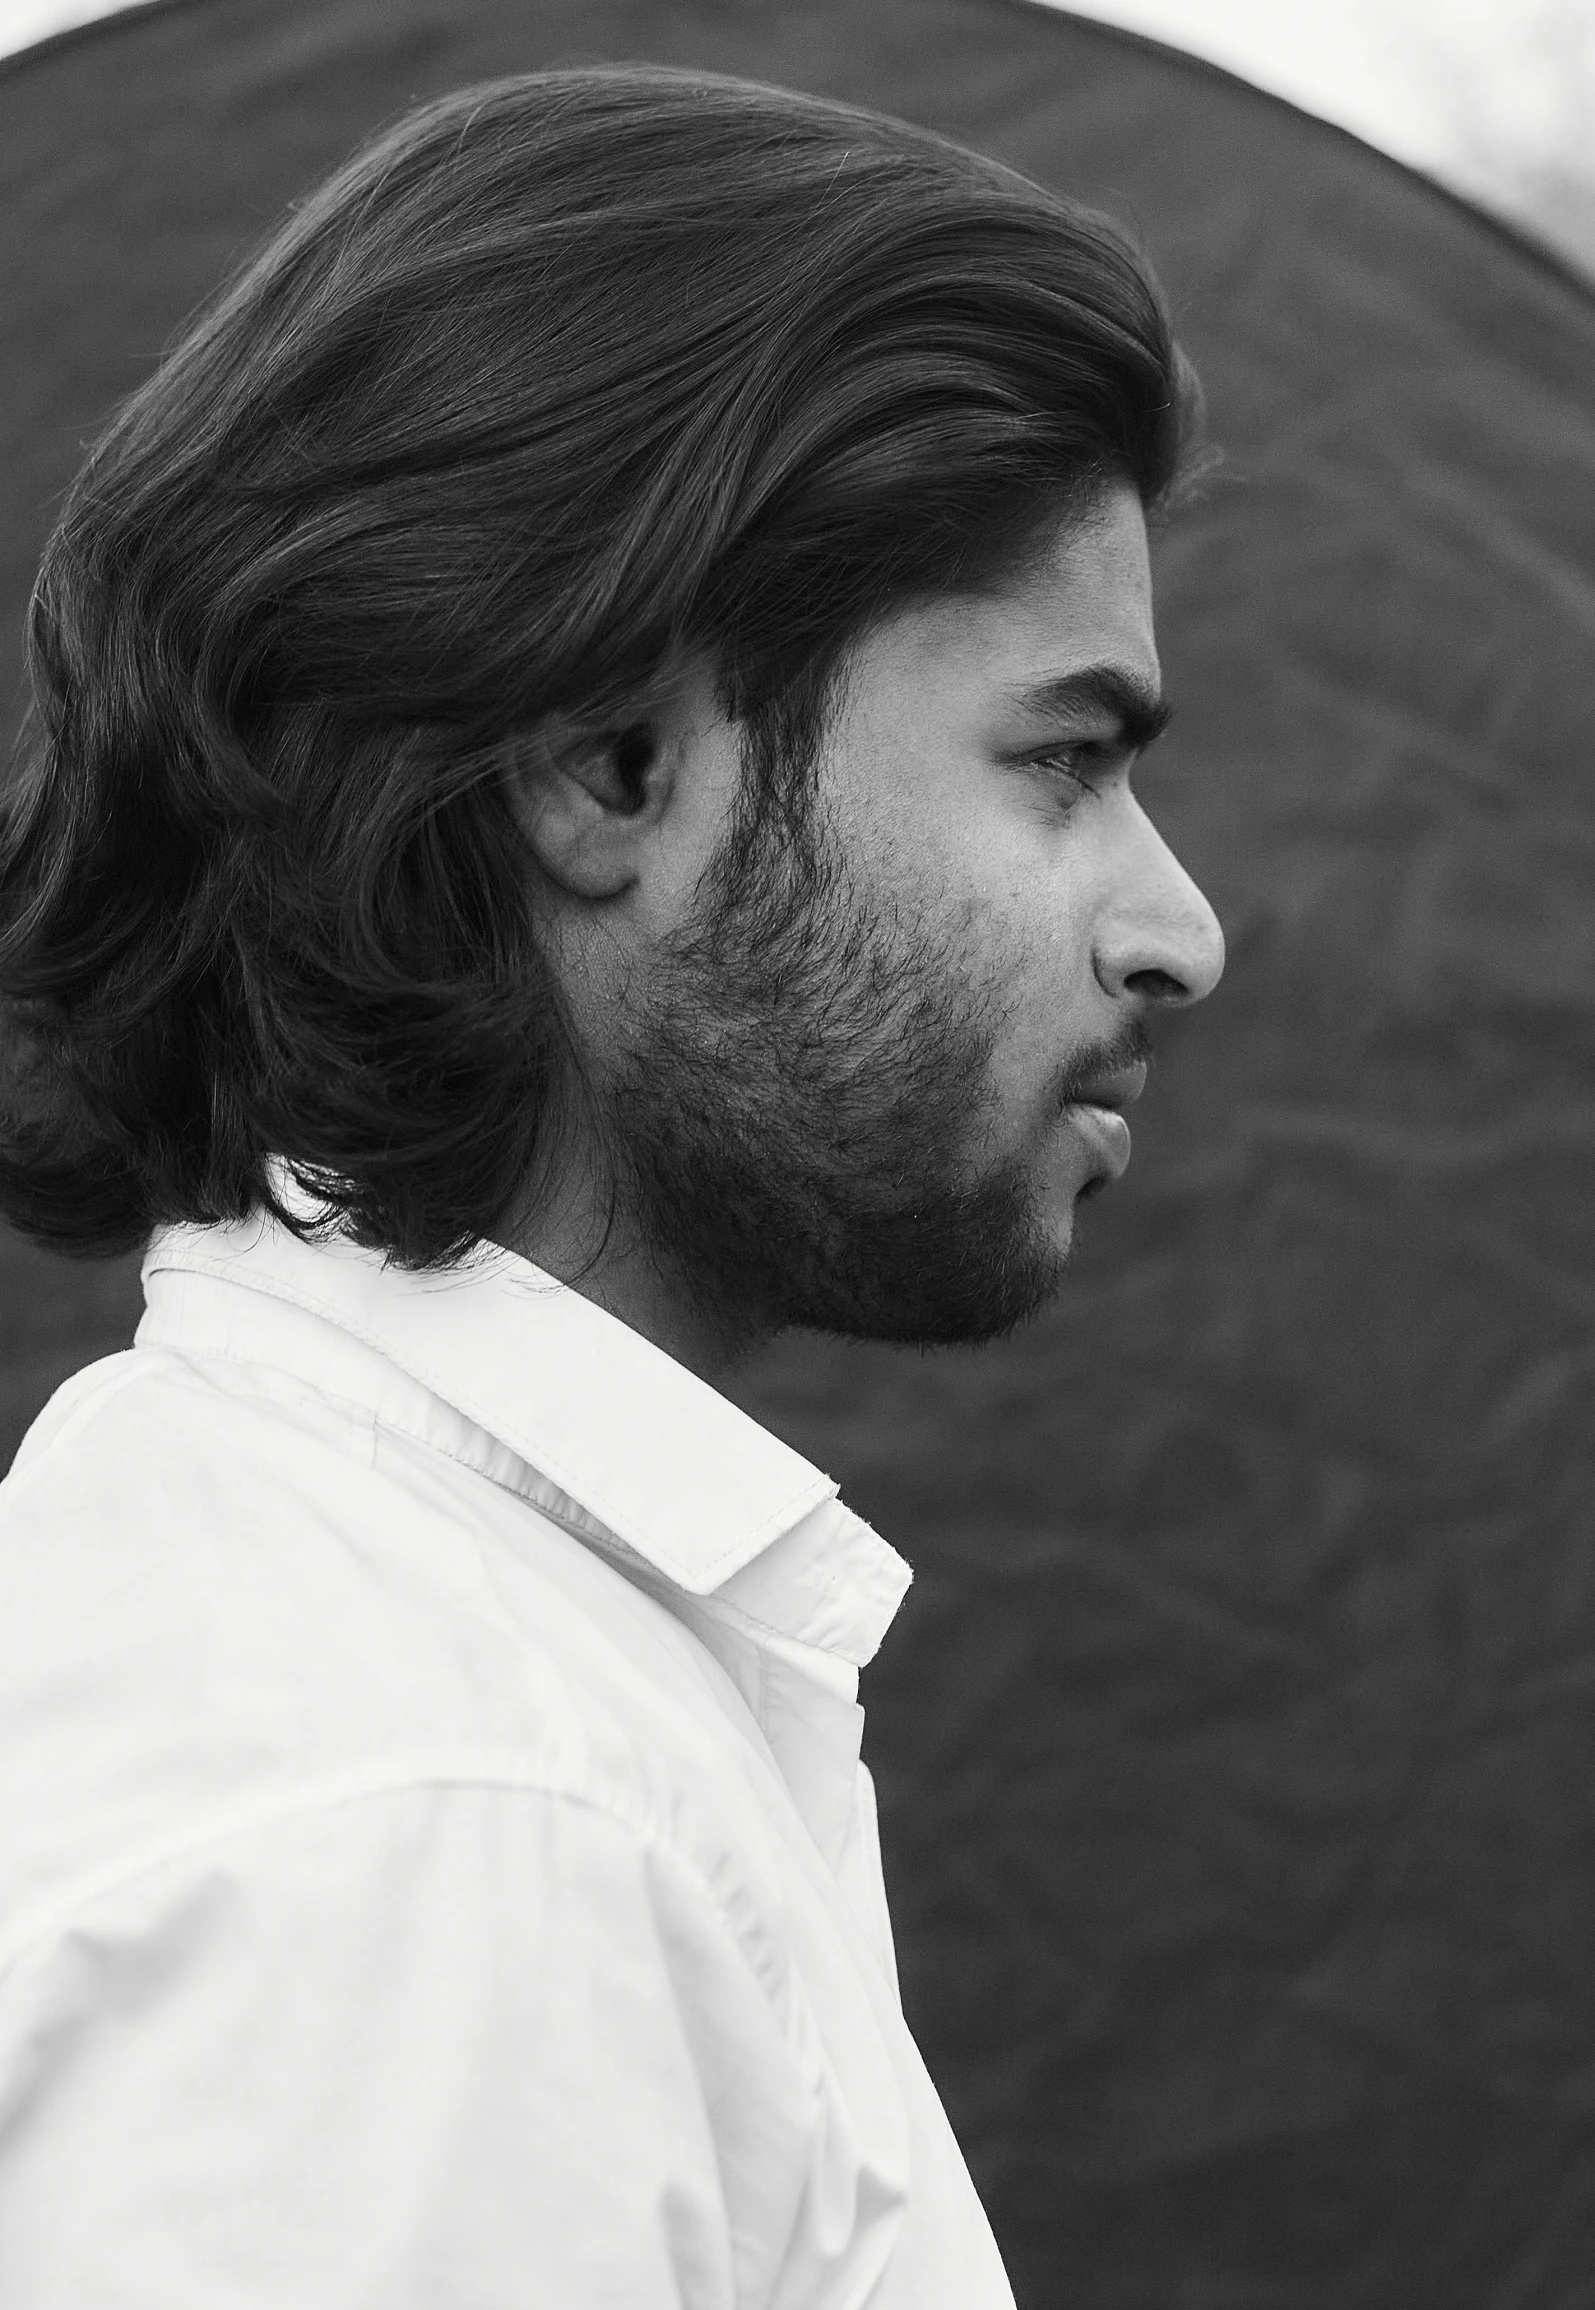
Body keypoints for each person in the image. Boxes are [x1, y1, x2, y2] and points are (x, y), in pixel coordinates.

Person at [0, 63, 1224, 2308]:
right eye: (1056, 758)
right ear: (605, 770)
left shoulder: (396, 1645)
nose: (1177, 930)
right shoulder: (434, 1835)